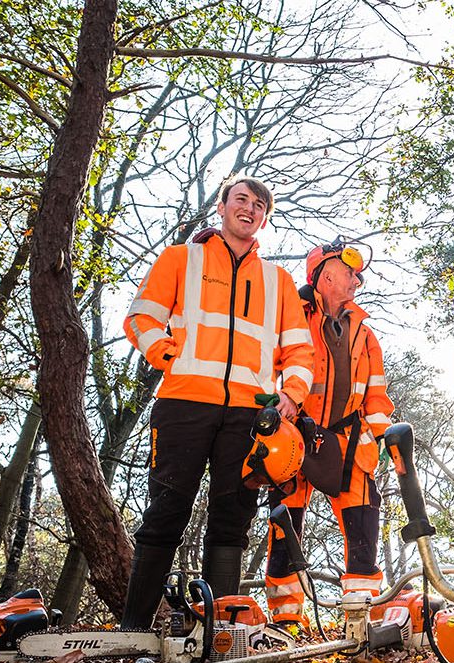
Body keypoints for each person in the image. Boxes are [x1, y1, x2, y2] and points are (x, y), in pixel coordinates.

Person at [119, 174, 315, 627]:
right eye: (241, 199)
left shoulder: (278, 280)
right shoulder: (181, 259)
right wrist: (168, 354)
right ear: (223, 207)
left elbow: (299, 350)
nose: (249, 208)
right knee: (166, 511)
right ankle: (133, 627)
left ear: (264, 219)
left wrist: (291, 394)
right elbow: (141, 317)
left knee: (232, 521)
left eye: (259, 204)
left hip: (249, 417)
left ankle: (220, 633)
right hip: (184, 404)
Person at [263, 240, 395, 635]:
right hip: (293, 437)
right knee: (286, 525)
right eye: (349, 271)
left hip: (349, 442)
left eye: (357, 274)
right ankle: (286, 620)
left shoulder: (365, 334)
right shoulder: (290, 317)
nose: (357, 280)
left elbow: (376, 395)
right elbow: (270, 368)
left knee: (364, 530)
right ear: (323, 274)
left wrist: (384, 437)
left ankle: (362, 615)